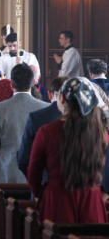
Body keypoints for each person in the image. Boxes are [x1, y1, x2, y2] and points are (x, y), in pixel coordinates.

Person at [28, 77, 109, 223]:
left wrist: (42, 196)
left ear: (62, 99)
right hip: (92, 200)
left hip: (56, 199)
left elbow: (33, 172)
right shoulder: (102, 133)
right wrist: (99, 195)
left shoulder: (47, 131)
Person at [0, 64, 49, 183]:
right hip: (38, 178)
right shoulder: (47, 109)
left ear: (12, 85)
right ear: (34, 82)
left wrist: (2, 162)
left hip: (6, 176)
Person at [16, 77, 68, 179]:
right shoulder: (90, 117)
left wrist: (37, 182)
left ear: (49, 94)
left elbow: (23, 160)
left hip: (46, 183)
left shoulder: (37, 117)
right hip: (82, 188)